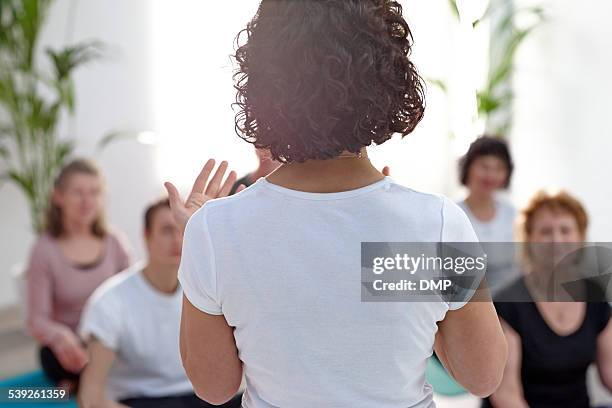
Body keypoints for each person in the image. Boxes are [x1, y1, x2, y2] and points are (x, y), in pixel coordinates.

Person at [165, 1, 507, 407]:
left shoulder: (213, 229)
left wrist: (203, 247)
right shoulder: (436, 223)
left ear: (264, 85)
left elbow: (214, 387)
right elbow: (482, 375)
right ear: (387, 78)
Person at [78, 198, 242, 408]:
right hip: (144, 400)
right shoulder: (110, 301)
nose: (176, 239)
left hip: (204, 396)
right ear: (146, 235)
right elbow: (91, 399)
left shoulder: (209, 288)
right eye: (166, 230)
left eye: (181, 229)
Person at [484, 191, 612, 407]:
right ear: (529, 239)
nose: (556, 239)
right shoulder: (507, 304)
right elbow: (506, 394)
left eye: (565, 230)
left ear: (580, 237)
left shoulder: (596, 299)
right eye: (545, 232)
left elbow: (609, 371)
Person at [25, 158, 132, 391]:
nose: (87, 201)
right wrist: (61, 336)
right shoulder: (44, 250)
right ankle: (93, 379)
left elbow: (135, 296)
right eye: (78, 193)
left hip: (111, 339)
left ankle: (88, 381)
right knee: (51, 357)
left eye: (94, 192)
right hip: (71, 347)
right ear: (58, 196)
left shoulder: (115, 242)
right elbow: (36, 320)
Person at [457, 136, 518, 293]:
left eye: (499, 168)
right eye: (484, 166)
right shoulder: (453, 213)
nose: (491, 175)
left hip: (510, 303)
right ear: (468, 167)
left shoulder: (513, 214)